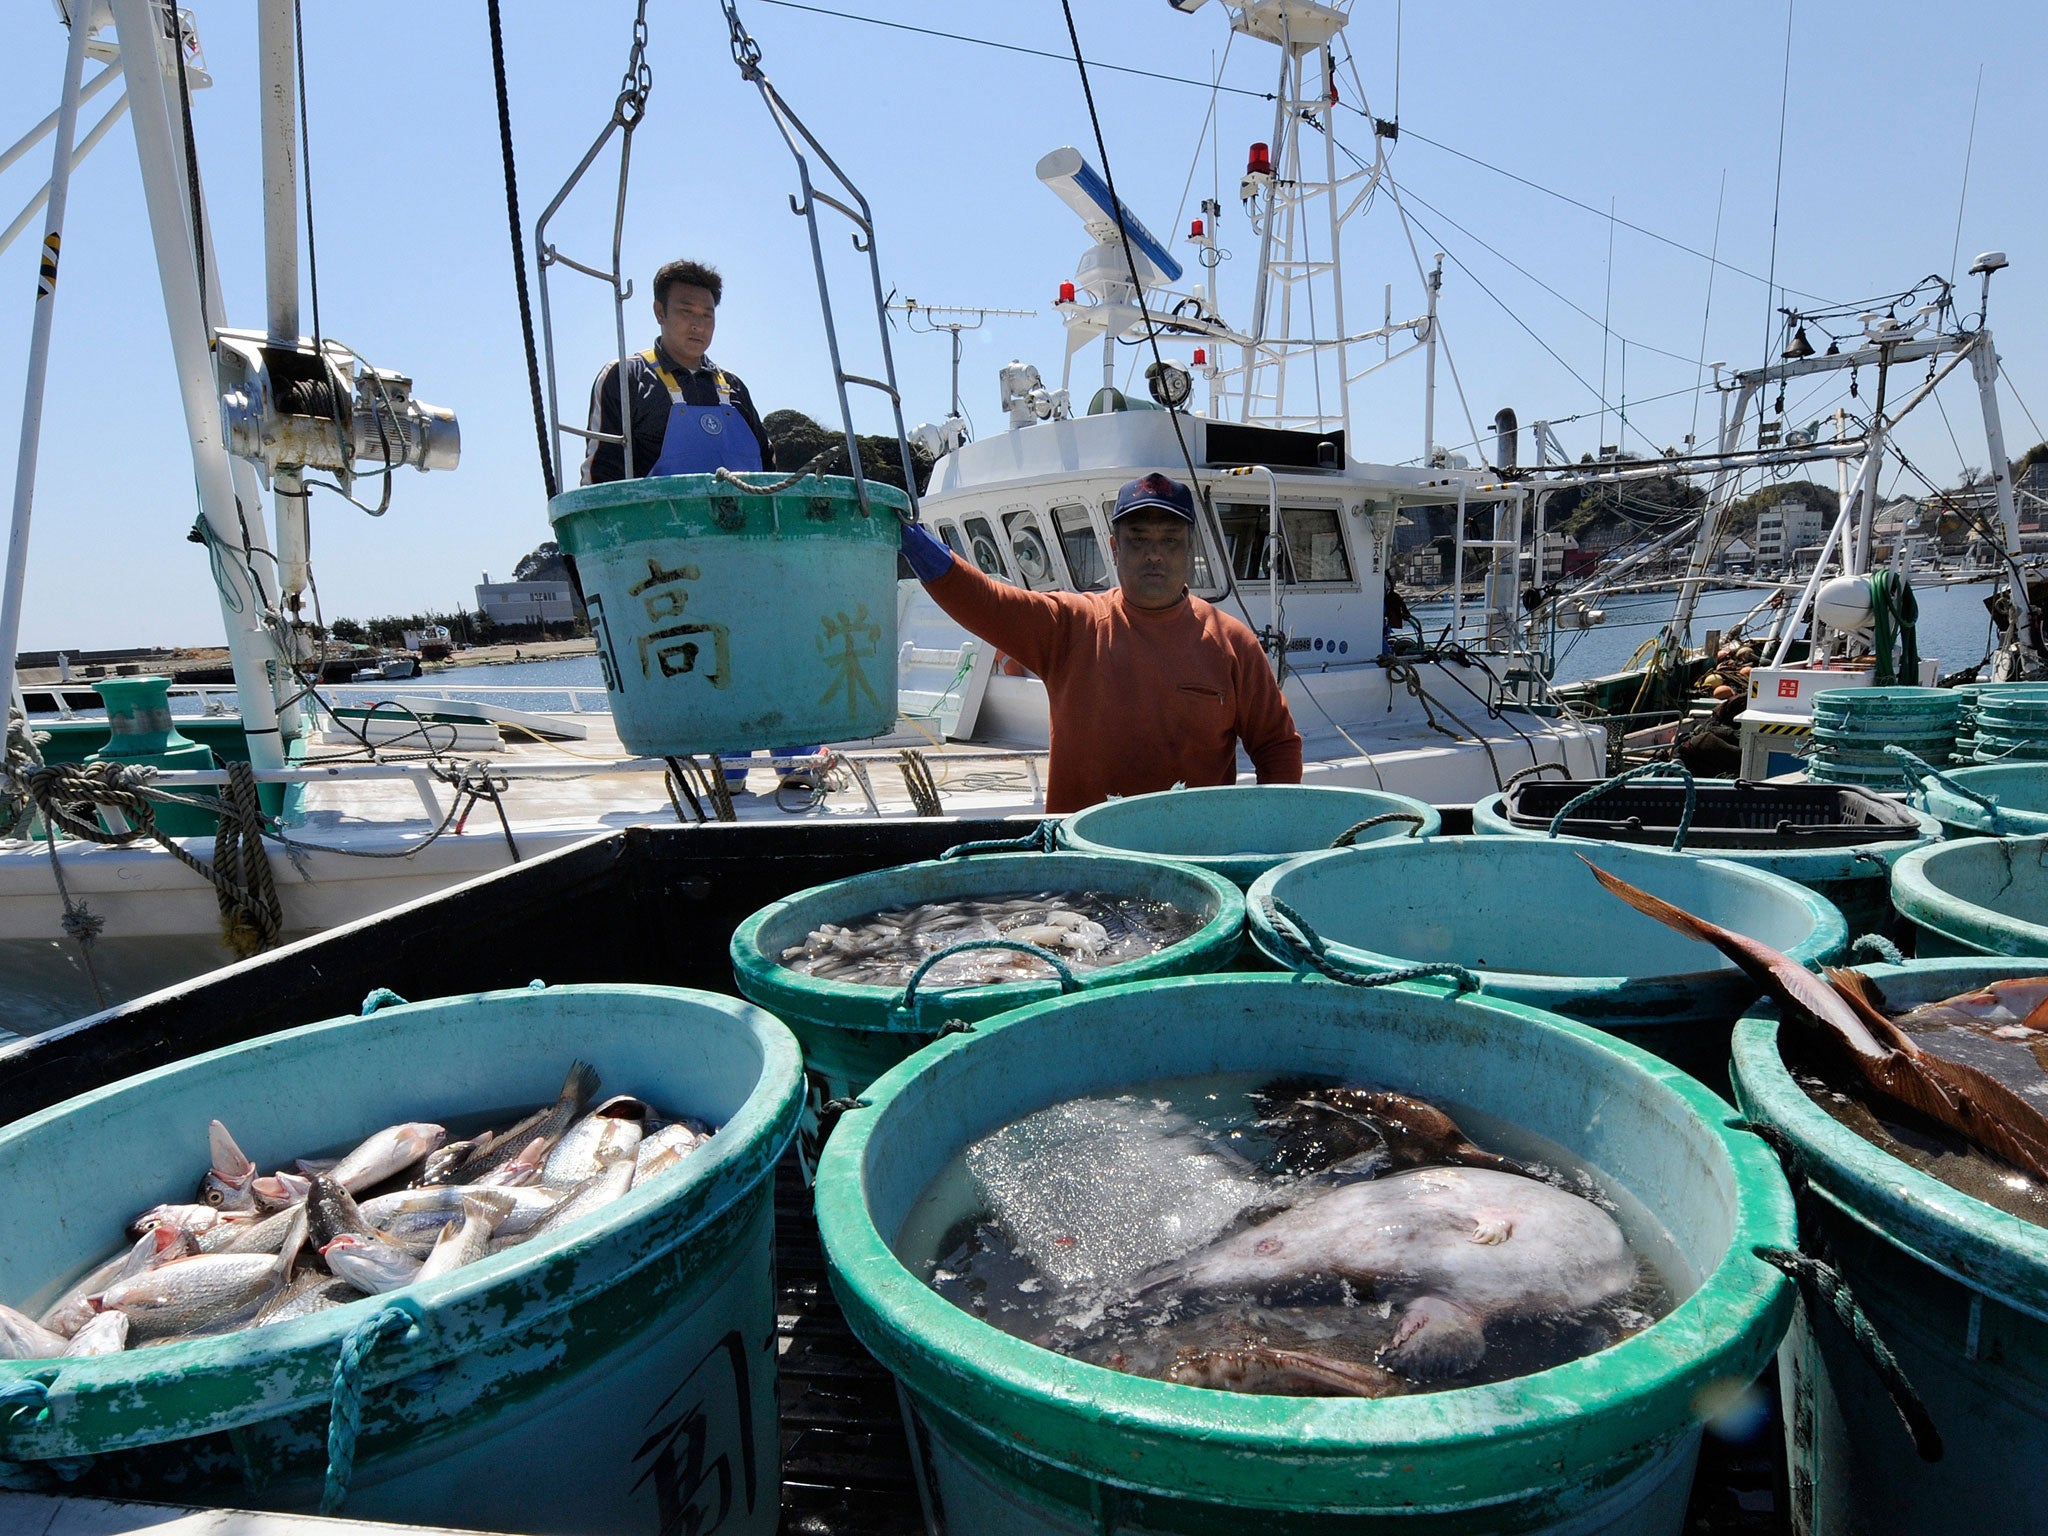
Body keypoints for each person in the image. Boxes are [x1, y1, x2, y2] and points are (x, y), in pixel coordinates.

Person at [899, 472, 1303, 813]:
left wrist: (1267, 831)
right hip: (1084, 865)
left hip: (1195, 861)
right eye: (1138, 539)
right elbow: (985, 601)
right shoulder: (1070, 626)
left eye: (1170, 540)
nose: (1154, 555)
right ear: (1114, 548)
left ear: (1191, 548)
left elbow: (1276, 746)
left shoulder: (1234, 643)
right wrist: (911, 538)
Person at [580, 258, 773, 484]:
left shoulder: (734, 386)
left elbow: (769, 468)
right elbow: (600, 476)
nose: (698, 325)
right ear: (660, 312)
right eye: (686, 311)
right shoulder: (624, 376)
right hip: (653, 519)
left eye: (707, 315)